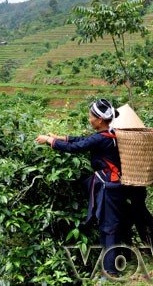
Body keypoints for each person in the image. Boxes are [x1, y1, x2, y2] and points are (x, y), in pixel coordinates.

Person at [36, 98, 125, 278]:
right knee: (107, 226)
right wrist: (62, 138)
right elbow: (85, 140)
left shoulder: (101, 138)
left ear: (99, 120)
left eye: (91, 116)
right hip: (111, 185)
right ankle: (110, 268)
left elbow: (78, 147)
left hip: (108, 186)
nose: (89, 118)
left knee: (109, 227)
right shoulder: (109, 134)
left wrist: (49, 141)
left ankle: (111, 271)